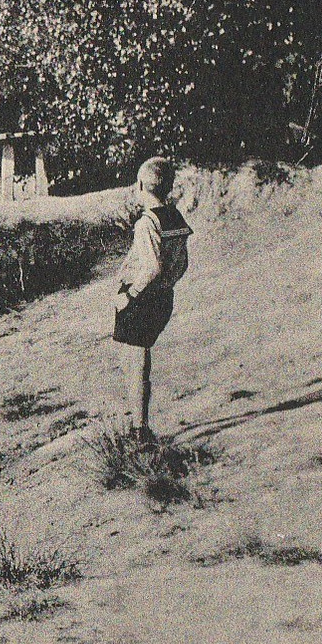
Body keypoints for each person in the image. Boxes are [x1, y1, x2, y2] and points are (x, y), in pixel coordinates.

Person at [113, 157, 192, 439]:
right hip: (163, 297)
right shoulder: (175, 217)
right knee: (138, 360)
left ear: (142, 184)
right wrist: (167, 284)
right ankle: (139, 422)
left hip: (142, 299)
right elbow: (182, 263)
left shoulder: (147, 222)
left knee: (135, 364)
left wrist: (130, 296)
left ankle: (139, 429)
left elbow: (152, 266)